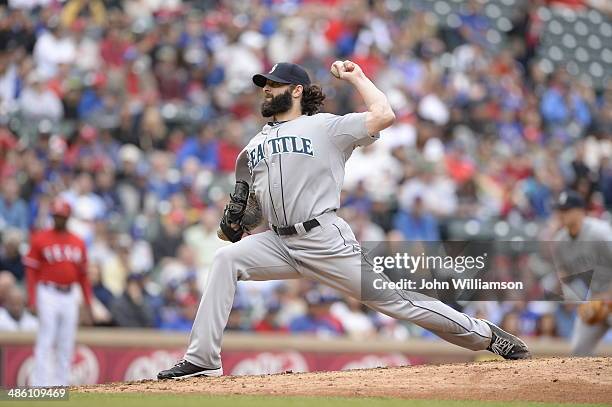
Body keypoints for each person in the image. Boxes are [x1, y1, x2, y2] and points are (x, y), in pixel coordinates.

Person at [158, 61, 530, 379]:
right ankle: (202, 360)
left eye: (274, 85)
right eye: (264, 86)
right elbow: (249, 206)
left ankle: (484, 335)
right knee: (226, 259)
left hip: (325, 239)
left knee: (396, 301)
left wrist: (357, 77)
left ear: (297, 91)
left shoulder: (327, 127)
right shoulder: (252, 147)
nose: (266, 91)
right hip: (279, 243)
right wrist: (241, 220)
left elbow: (384, 115)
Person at [23, 198, 93, 386]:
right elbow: (31, 272)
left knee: (66, 341)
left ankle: (60, 384)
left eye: (61, 216)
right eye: (56, 216)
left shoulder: (78, 241)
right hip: (48, 292)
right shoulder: (40, 238)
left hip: (70, 294)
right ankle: (40, 385)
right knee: (46, 339)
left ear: (68, 217)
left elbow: (83, 276)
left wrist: (88, 303)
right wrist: (31, 299)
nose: (58, 219)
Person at [552, 190, 612, 356]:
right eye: (560, 210)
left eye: (567, 210)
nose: (562, 214)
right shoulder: (559, 242)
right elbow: (565, 275)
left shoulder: (599, 233)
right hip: (596, 300)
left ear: (580, 211)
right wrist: (578, 302)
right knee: (578, 351)